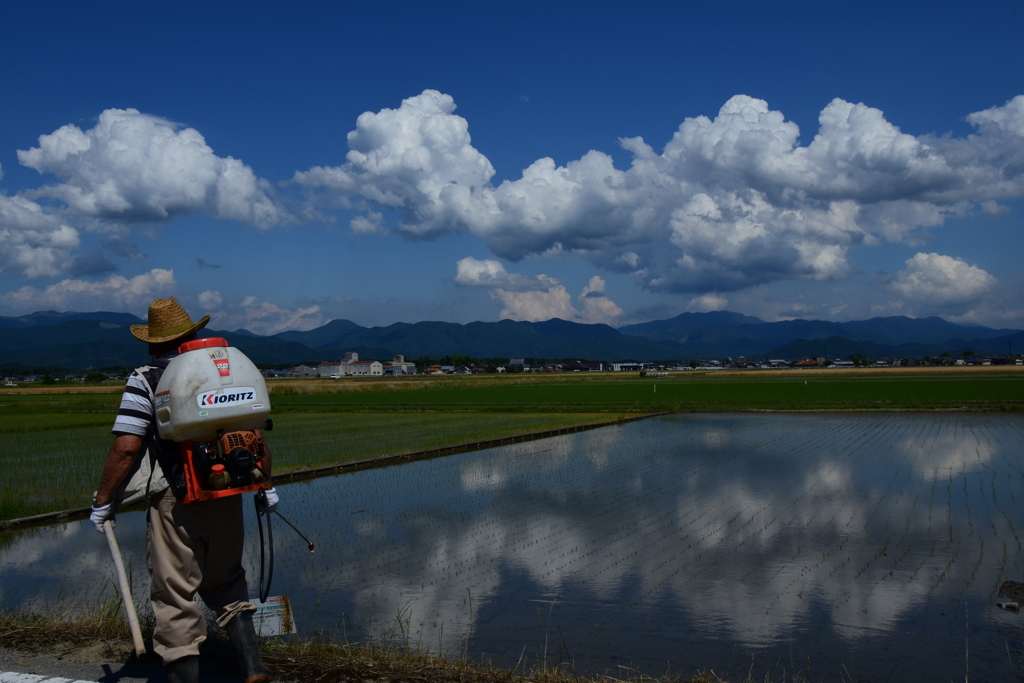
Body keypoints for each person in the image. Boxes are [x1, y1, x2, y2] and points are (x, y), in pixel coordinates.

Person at [90, 297, 278, 683]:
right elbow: (251, 434)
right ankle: (253, 668)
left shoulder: (146, 377)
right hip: (225, 493)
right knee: (227, 579)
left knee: (174, 596)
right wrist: (266, 484)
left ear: (151, 342)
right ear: (193, 333)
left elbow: (127, 446)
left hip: (176, 500)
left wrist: (103, 501)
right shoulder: (223, 371)